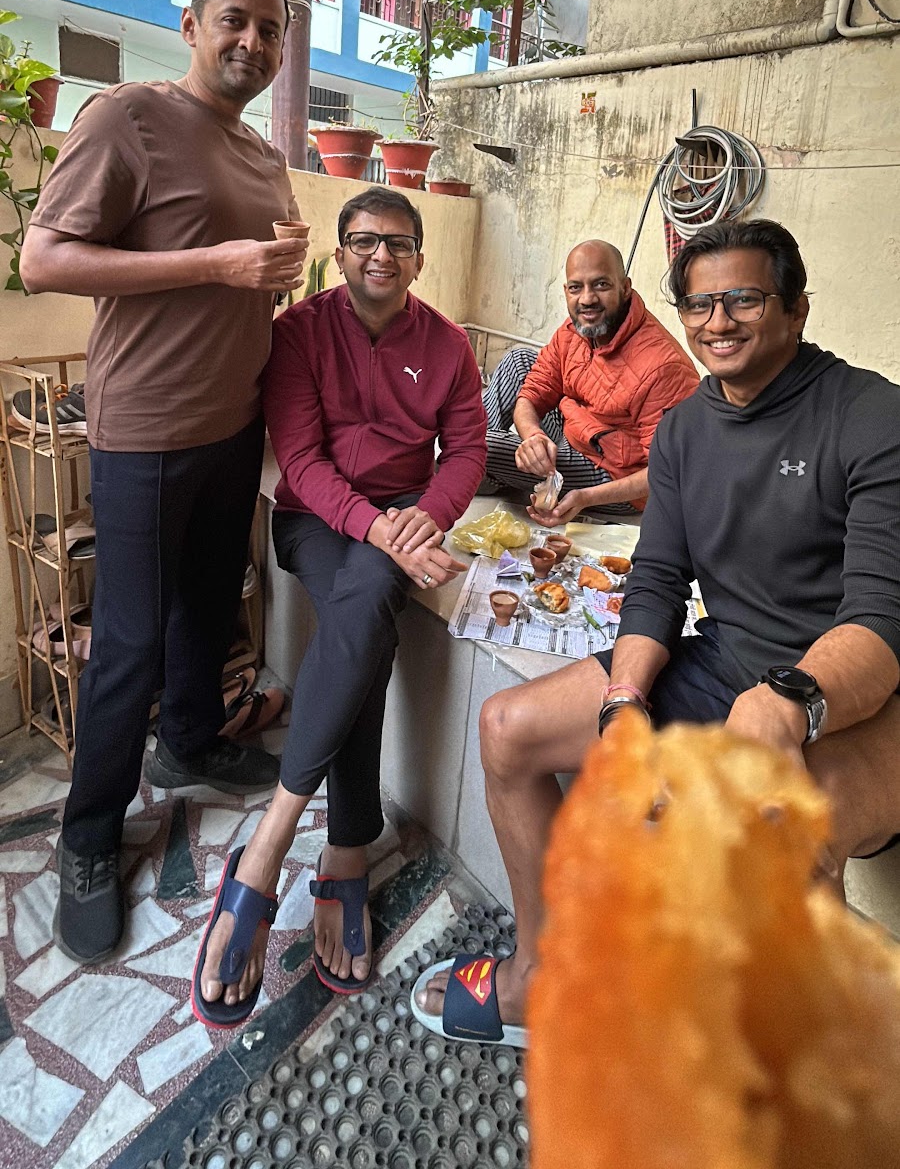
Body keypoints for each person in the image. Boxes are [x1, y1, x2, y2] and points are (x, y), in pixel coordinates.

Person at [413, 218, 900, 1047]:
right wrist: (624, 701)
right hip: (727, 665)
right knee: (507, 729)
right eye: (700, 304)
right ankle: (539, 978)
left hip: (860, 700)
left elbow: (880, 621)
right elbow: (659, 581)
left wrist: (787, 702)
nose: (718, 321)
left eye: (744, 299)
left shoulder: (869, 415)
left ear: (796, 309)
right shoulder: (686, 432)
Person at [20, 0, 308, 965]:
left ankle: (190, 742)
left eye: (271, 30)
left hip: (232, 426)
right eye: (235, 21)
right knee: (129, 642)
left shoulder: (263, 154)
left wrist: (268, 282)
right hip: (143, 427)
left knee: (209, 605)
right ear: (191, 26)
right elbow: (43, 258)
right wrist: (217, 264)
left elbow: (252, 283)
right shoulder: (128, 116)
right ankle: (89, 838)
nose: (253, 43)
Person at [192, 186, 487, 1028]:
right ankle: (344, 846)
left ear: (419, 259)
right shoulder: (298, 333)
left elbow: (467, 447)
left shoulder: (448, 345)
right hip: (316, 521)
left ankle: (269, 846)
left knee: (363, 617)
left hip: (400, 517)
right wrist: (380, 532)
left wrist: (428, 515)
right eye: (363, 241)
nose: (379, 255)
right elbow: (302, 460)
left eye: (398, 243)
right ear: (340, 251)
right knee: (367, 600)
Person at [482, 240, 698, 521]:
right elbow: (532, 392)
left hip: (614, 475)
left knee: (480, 445)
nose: (587, 299)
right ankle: (476, 470)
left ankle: (479, 467)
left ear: (625, 288)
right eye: (576, 287)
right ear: (566, 291)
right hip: (577, 433)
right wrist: (533, 436)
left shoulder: (662, 367)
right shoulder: (574, 330)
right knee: (518, 360)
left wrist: (586, 498)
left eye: (601, 285)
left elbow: (667, 471)